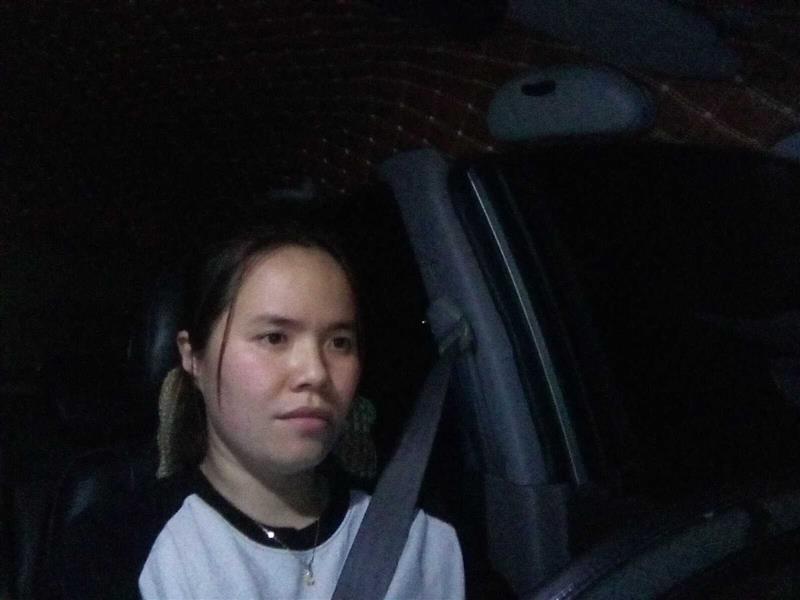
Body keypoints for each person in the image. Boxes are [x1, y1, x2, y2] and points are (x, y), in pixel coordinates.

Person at [95, 220, 464, 599]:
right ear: (193, 357)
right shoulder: (120, 553)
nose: (315, 373)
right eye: (274, 338)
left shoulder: (423, 540)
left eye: (339, 342)